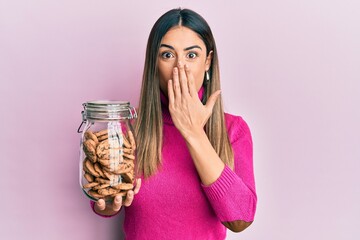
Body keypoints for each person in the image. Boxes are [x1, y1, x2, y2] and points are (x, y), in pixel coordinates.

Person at [90, 8, 257, 239]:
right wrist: (109, 204)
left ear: (207, 61)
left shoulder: (234, 130)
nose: (180, 67)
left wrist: (193, 131)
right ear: (154, 64)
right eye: (167, 55)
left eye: (191, 55)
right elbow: (106, 197)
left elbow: (241, 218)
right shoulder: (126, 129)